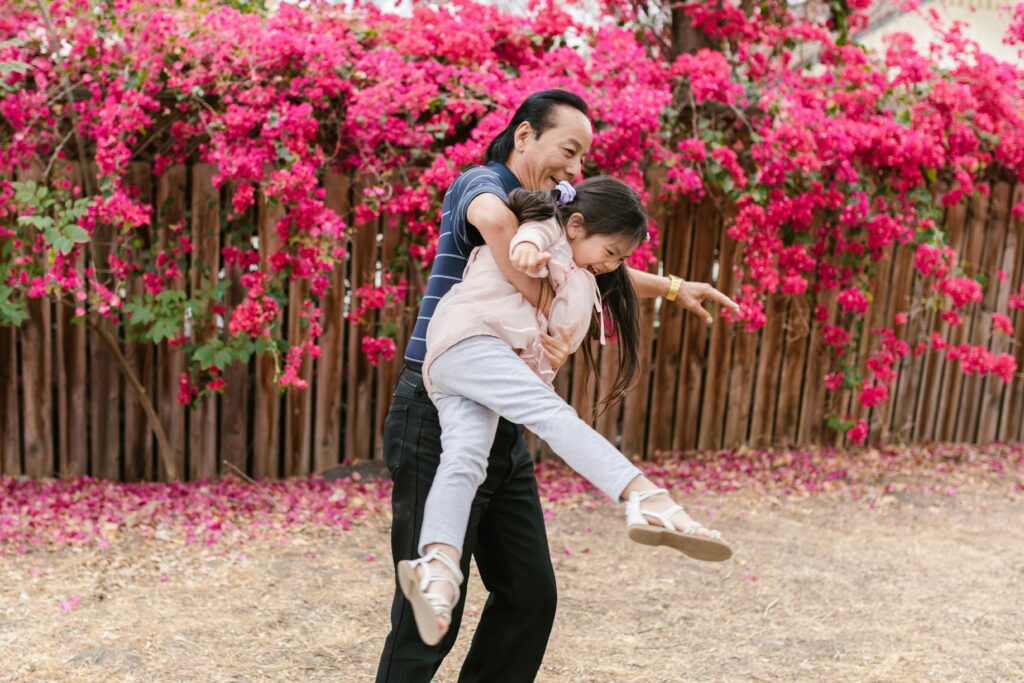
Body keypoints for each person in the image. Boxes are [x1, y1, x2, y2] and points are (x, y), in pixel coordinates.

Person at [376, 89, 739, 683]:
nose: (576, 169)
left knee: (529, 594)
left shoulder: (555, 218)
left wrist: (672, 287)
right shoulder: (481, 183)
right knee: (428, 616)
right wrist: (546, 290)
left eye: (582, 160)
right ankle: (644, 496)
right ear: (524, 136)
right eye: (568, 151)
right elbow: (503, 226)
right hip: (435, 407)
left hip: (501, 414)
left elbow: (594, 265)